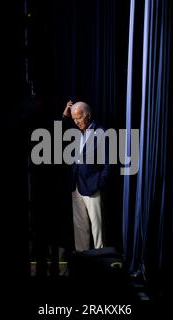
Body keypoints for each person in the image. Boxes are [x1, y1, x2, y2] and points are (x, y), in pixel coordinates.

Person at [62, 100, 110, 251]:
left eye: (79, 118)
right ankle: (82, 261)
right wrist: (65, 114)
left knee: (97, 227)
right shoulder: (75, 131)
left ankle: (100, 257)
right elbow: (57, 133)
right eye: (73, 119)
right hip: (76, 185)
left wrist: (100, 183)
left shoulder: (102, 133)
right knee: (79, 226)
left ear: (88, 116)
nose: (76, 122)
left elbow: (109, 163)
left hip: (92, 185)